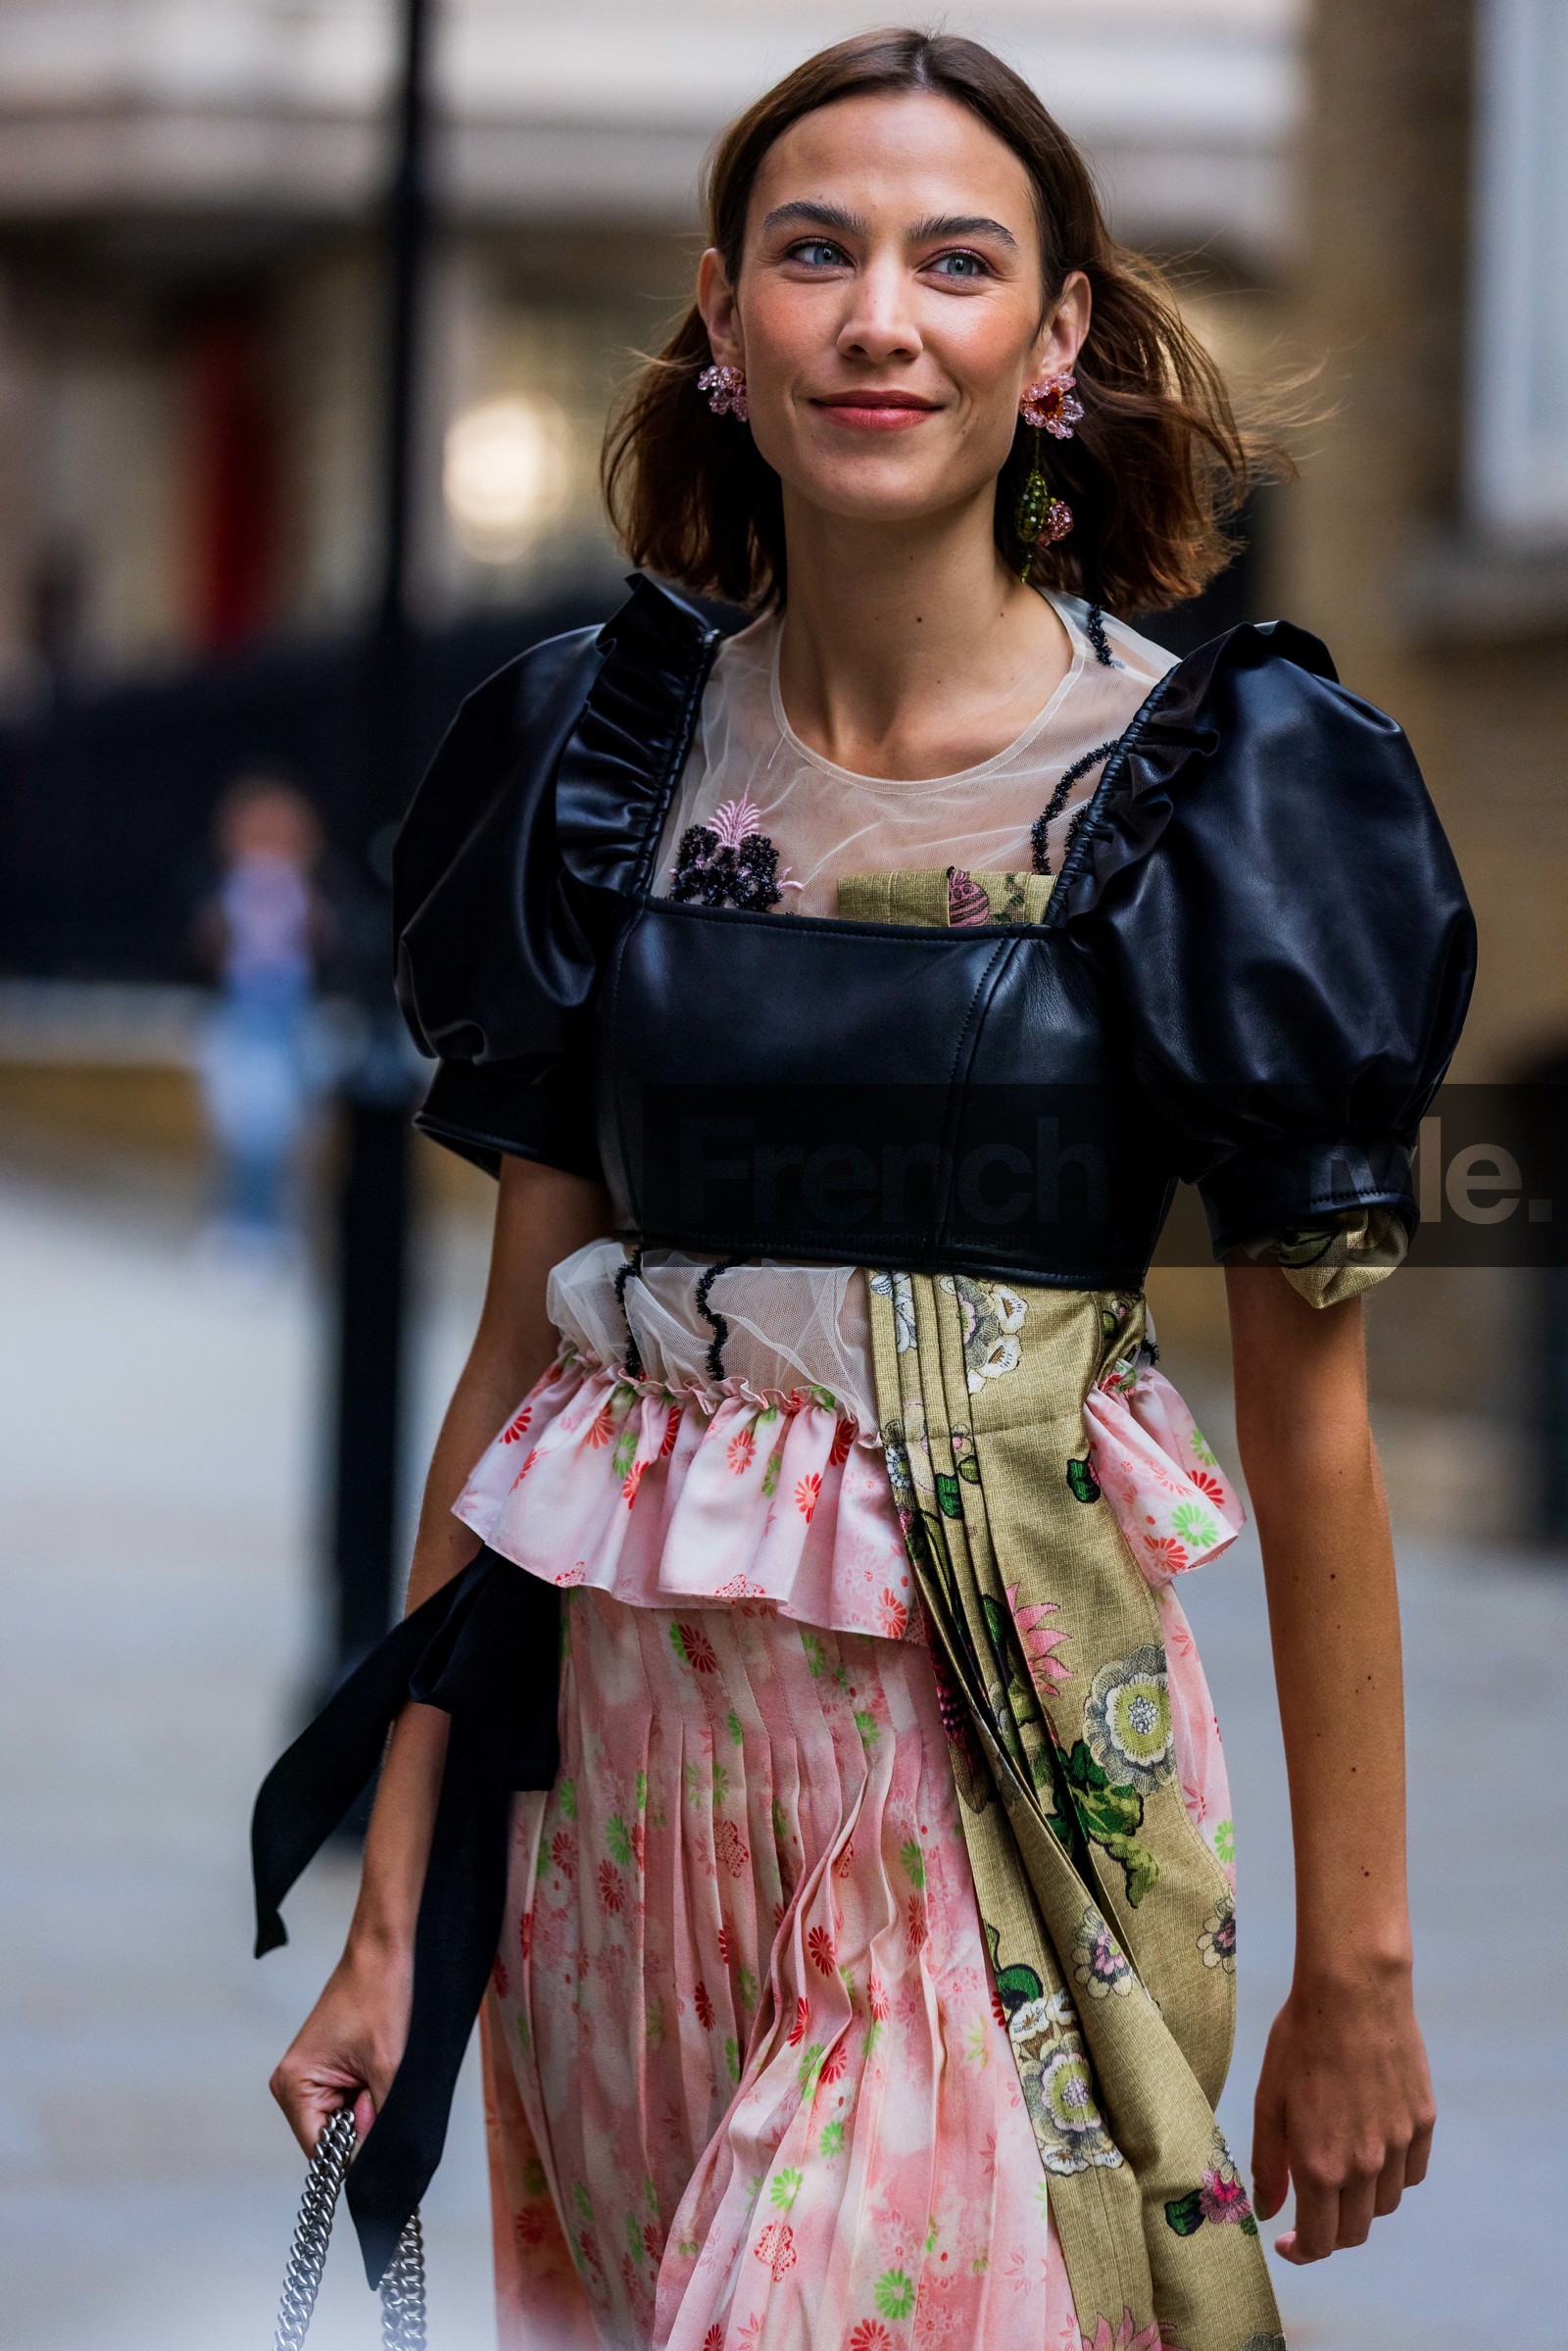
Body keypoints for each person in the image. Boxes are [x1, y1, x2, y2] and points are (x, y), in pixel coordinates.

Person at [259, 31, 1474, 2351]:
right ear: (720, 324)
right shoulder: (586, 774)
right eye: (814, 252)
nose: (876, 315)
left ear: (1056, 345)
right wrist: (396, 1911)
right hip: (620, 1818)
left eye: (953, 262)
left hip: (986, 1808)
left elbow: (1313, 1432)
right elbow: (516, 1375)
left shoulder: (1227, 791)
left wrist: (1360, 1963)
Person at [193, 771, 330, 1249]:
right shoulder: (226, 891)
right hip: (243, 1017)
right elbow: (209, 951)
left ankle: (276, 1225)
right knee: (242, 1125)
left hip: (288, 1020)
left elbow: (319, 946)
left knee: (289, 1130)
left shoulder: (306, 893)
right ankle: (242, 1222)